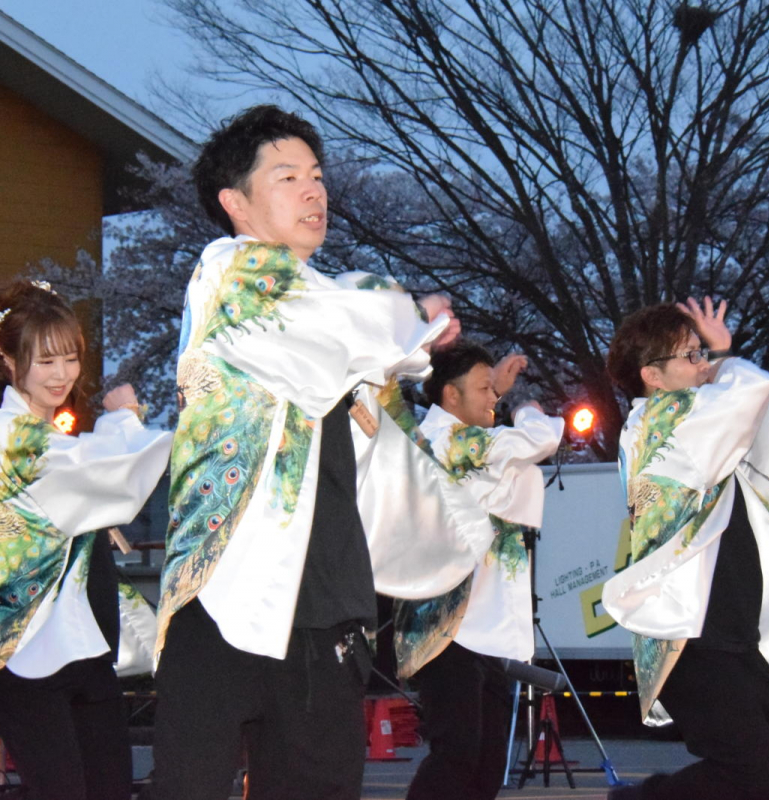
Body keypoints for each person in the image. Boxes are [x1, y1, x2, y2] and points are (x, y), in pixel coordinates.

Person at [149, 105, 495, 800]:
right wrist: (404, 324)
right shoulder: (228, 276)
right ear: (235, 202)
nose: (315, 191)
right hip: (223, 590)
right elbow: (341, 328)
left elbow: (380, 437)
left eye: (317, 175)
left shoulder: (333, 309)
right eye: (286, 177)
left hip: (329, 601)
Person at [601, 299, 769, 800]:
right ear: (652, 375)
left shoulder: (673, 422)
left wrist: (711, 358)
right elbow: (754, 390)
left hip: (728, 633)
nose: (703, 367)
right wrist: (725, 353)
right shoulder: (668, 419)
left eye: (702, 354)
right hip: (693, 637)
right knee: (755, 772)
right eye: (690, 357)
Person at [0, 279, 172, 800]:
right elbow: (102, 470)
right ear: (10, 360)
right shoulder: (8, 432)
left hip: (81, 644)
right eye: (45, 361)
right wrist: (125, 418)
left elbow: (85, 471)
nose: (62, 375)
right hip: (25, 647)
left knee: (108, 789)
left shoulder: (45, 436)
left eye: (69, 359)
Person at [395, 343, 563, 800]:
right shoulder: (446, 439)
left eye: (494, 389)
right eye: (484, 389)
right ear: (450, 396)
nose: (494, 398)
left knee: (487, 764)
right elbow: (538, 440)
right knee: (457, 755)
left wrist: (492, 390)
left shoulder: (476, 443)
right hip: (448, 623)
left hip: (485, 626)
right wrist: (527, 407)